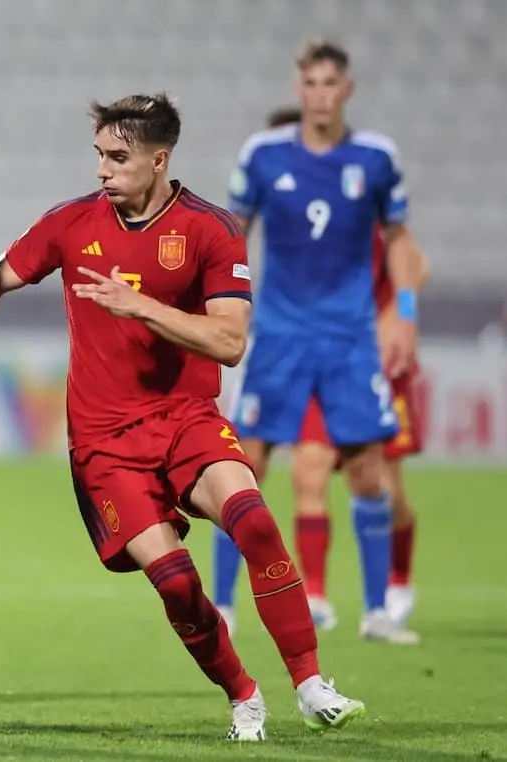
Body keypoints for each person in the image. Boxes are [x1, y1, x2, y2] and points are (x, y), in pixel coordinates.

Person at [0, 92, 363, 741]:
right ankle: (244, 697)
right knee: (177, 584)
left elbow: (230, 342)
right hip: (104, 444)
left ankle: (309, 683)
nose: (102, 169)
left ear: (159, 160)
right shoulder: (70, 223)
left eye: (118, 157)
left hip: (186, 419)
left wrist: (144, 308)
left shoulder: (210, 230)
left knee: (255, 522)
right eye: (100, 155)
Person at [220, 40, 425, 644]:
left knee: (366, 470)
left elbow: (401, 239)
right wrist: (223, 308)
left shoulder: (375, 158)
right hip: (278, 336)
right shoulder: (263, 156)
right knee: (244, 464)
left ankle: (378, 611)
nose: (319, 95)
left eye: (330, 83)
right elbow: (230, 233)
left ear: (346, 90)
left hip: (350, 339)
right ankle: (224, 605)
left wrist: (405, 313)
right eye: (310, 83)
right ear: (298, 89)